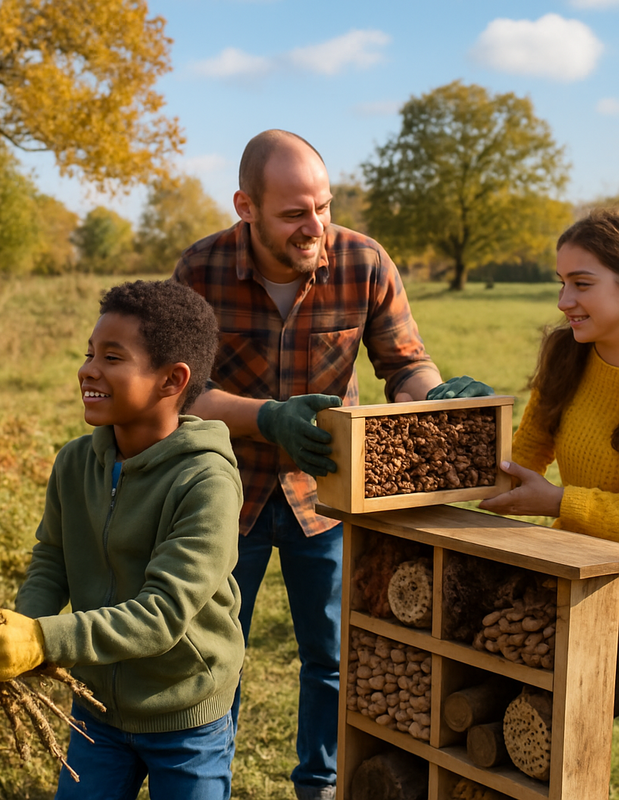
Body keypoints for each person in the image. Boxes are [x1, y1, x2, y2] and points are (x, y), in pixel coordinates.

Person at [172, 129, 493, 800]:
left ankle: (319, 786)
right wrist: (266, 416)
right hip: (222, 494)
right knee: (212, 654)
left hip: (329, 495)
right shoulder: (199, 271)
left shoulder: (364, 262)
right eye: (294, 212)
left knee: (335, 657)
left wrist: (432, 397)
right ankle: (206, 784)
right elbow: (177, 391)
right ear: (246, 207)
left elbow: (403, 365)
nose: (313, 225)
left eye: (323, 205)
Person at [0, 280, 246, 800]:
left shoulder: (206, 482)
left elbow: (161, 614)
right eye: (90, 353)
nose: (88, 369)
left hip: (184, 710)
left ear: (172, 380)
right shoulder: (75, 462)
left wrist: (46, 639)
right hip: (97, 709)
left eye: (113, 357)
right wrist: (25, 627)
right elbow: (52, 559)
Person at [479, 209, 619, 546]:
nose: (563, 301)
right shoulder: (566, 355)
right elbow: (524, 455)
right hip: (571, 564)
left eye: (581, 284)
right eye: (562, 282)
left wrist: (560, 502)